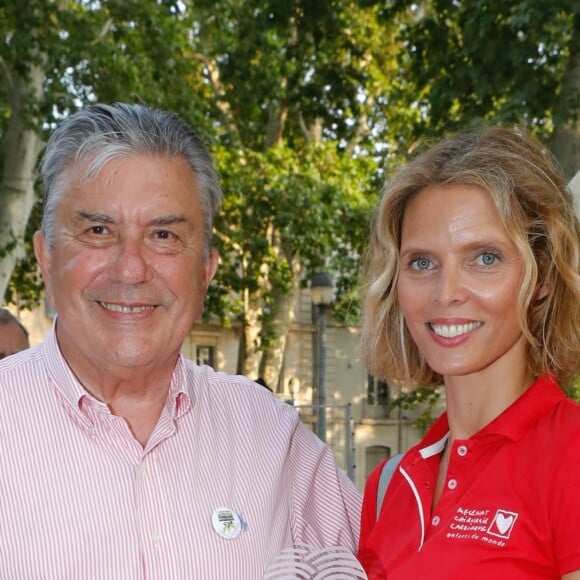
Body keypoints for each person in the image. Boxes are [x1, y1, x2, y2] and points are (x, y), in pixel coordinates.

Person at [0, 103, 361, 578]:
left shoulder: (273, 439)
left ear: (206, 270)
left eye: (164, 235)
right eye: (98, 231)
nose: (130, 268)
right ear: (45, 257)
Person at [357, 127, 580, 579]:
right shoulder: (388, 485)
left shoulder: (570, 454)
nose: (446, 292)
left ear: (541, 278)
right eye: (422, 262)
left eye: (484, 258)